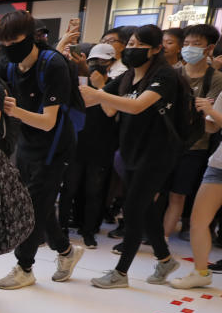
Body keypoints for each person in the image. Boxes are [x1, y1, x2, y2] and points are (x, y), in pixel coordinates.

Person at [81, 25, 181, 288]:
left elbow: (137, 106)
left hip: (158, 154)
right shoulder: (126, 77)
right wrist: (93, 90)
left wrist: (100, 93)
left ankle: (121, 273)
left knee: (134, 208)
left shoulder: (165, 76)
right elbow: (108, 110)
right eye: (131, 44)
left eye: (140, 46)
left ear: (157, 49)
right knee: (144, 208)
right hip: (130, 151)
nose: (132, 50)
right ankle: (165, 258)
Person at [0, 10, 84, 290]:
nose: (8, 48)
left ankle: (25, 267)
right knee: (39, 206)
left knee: (32, 207)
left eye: (15, 41)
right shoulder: (7, 65)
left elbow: (48, 122)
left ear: (32, 36)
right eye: (4, 43)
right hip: (26, 143)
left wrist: (14, 110)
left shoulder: (53, 65)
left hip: (54, 146)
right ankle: (67, 252)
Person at [163, 24, 222, 240]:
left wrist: (195, 111)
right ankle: (147, 233)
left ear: (209, 48)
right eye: (186, 44)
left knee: (177, 195)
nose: (190, 48)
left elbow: (211, 123)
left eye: (196, 44)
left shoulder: (215, 79)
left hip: (195, 146)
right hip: (165, 142)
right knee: (154, 192)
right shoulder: (172, 74)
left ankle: (164, 238)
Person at [58, 43, 119, 249]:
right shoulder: (80, 82)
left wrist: (101, 87)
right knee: (69, 189)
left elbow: (111, 111)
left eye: (103, 61)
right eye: (94, 61)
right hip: (76, 144)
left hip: (101, 146)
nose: (98, 65)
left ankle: (88, 231)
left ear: (111, 63)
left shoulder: (115, 84)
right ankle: (62, 229)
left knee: (94, 191)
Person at [172, 86, 222, 287]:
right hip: (218, 164)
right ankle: (201, 272)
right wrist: (201, 113)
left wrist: (211, 112)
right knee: (198, 220)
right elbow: (212, 127)